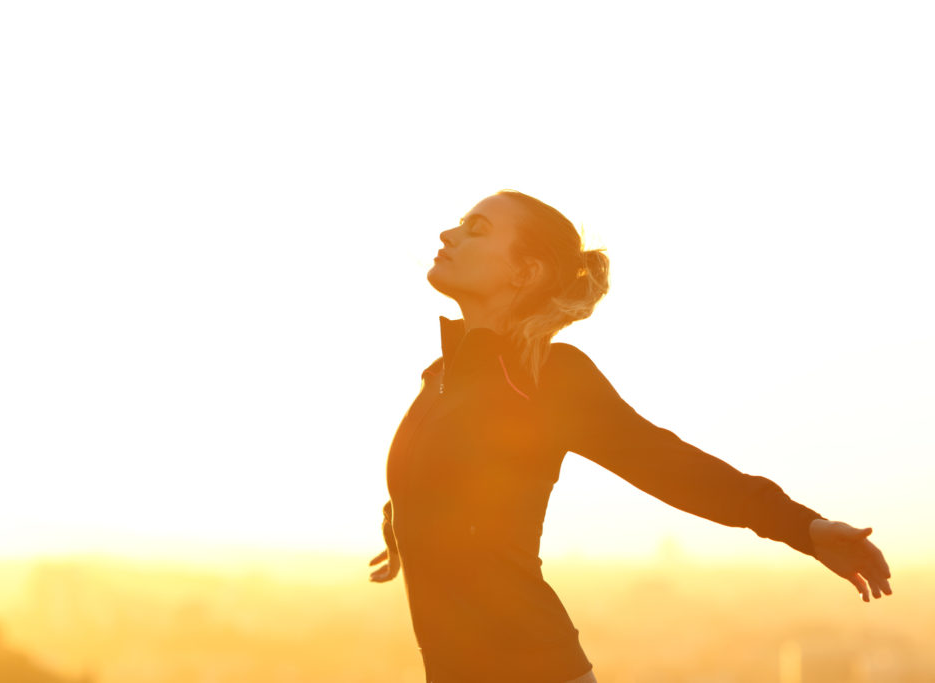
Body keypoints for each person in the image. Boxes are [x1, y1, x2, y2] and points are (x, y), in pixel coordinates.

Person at [368, 190, 892, 683]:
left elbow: (667, 464)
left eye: (475, 229)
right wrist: (405, 532)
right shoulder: (440, 378)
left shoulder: (547, 376)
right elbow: (447, 478)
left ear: (524, 272)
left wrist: (804, 527)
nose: (448, 235)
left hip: (533, 665)